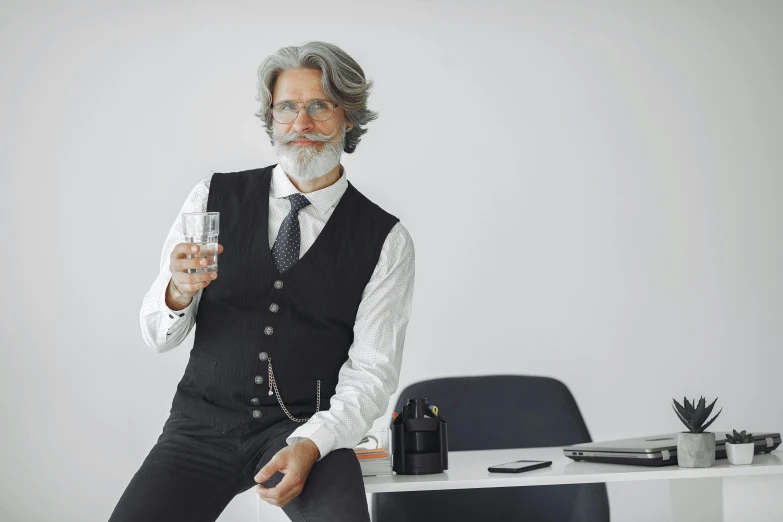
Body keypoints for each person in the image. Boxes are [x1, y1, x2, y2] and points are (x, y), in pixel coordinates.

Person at [109, 41, 415, 522]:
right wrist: (179, 292)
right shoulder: (212, 196)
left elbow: (372, 373)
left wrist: (312, 445)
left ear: (349, 117)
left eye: (319, 106)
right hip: (200, 426)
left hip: (303, 429)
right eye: (287, 107)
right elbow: (155, 335)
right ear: (271, 118)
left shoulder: (385, 238)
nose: (301, 124)